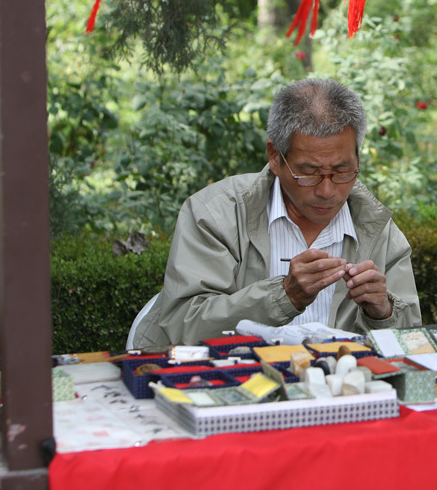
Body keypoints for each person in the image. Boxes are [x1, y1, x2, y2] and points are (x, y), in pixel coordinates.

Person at [134, 78, 421, 347]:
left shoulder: (377, 229)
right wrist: (284, 296)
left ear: (357, 157)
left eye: (342, 171)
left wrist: (383, 313)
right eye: (308, 173)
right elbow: (183, 324)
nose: (327, 190)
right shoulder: (214, 213)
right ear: (275, 157)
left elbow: (414, 340)